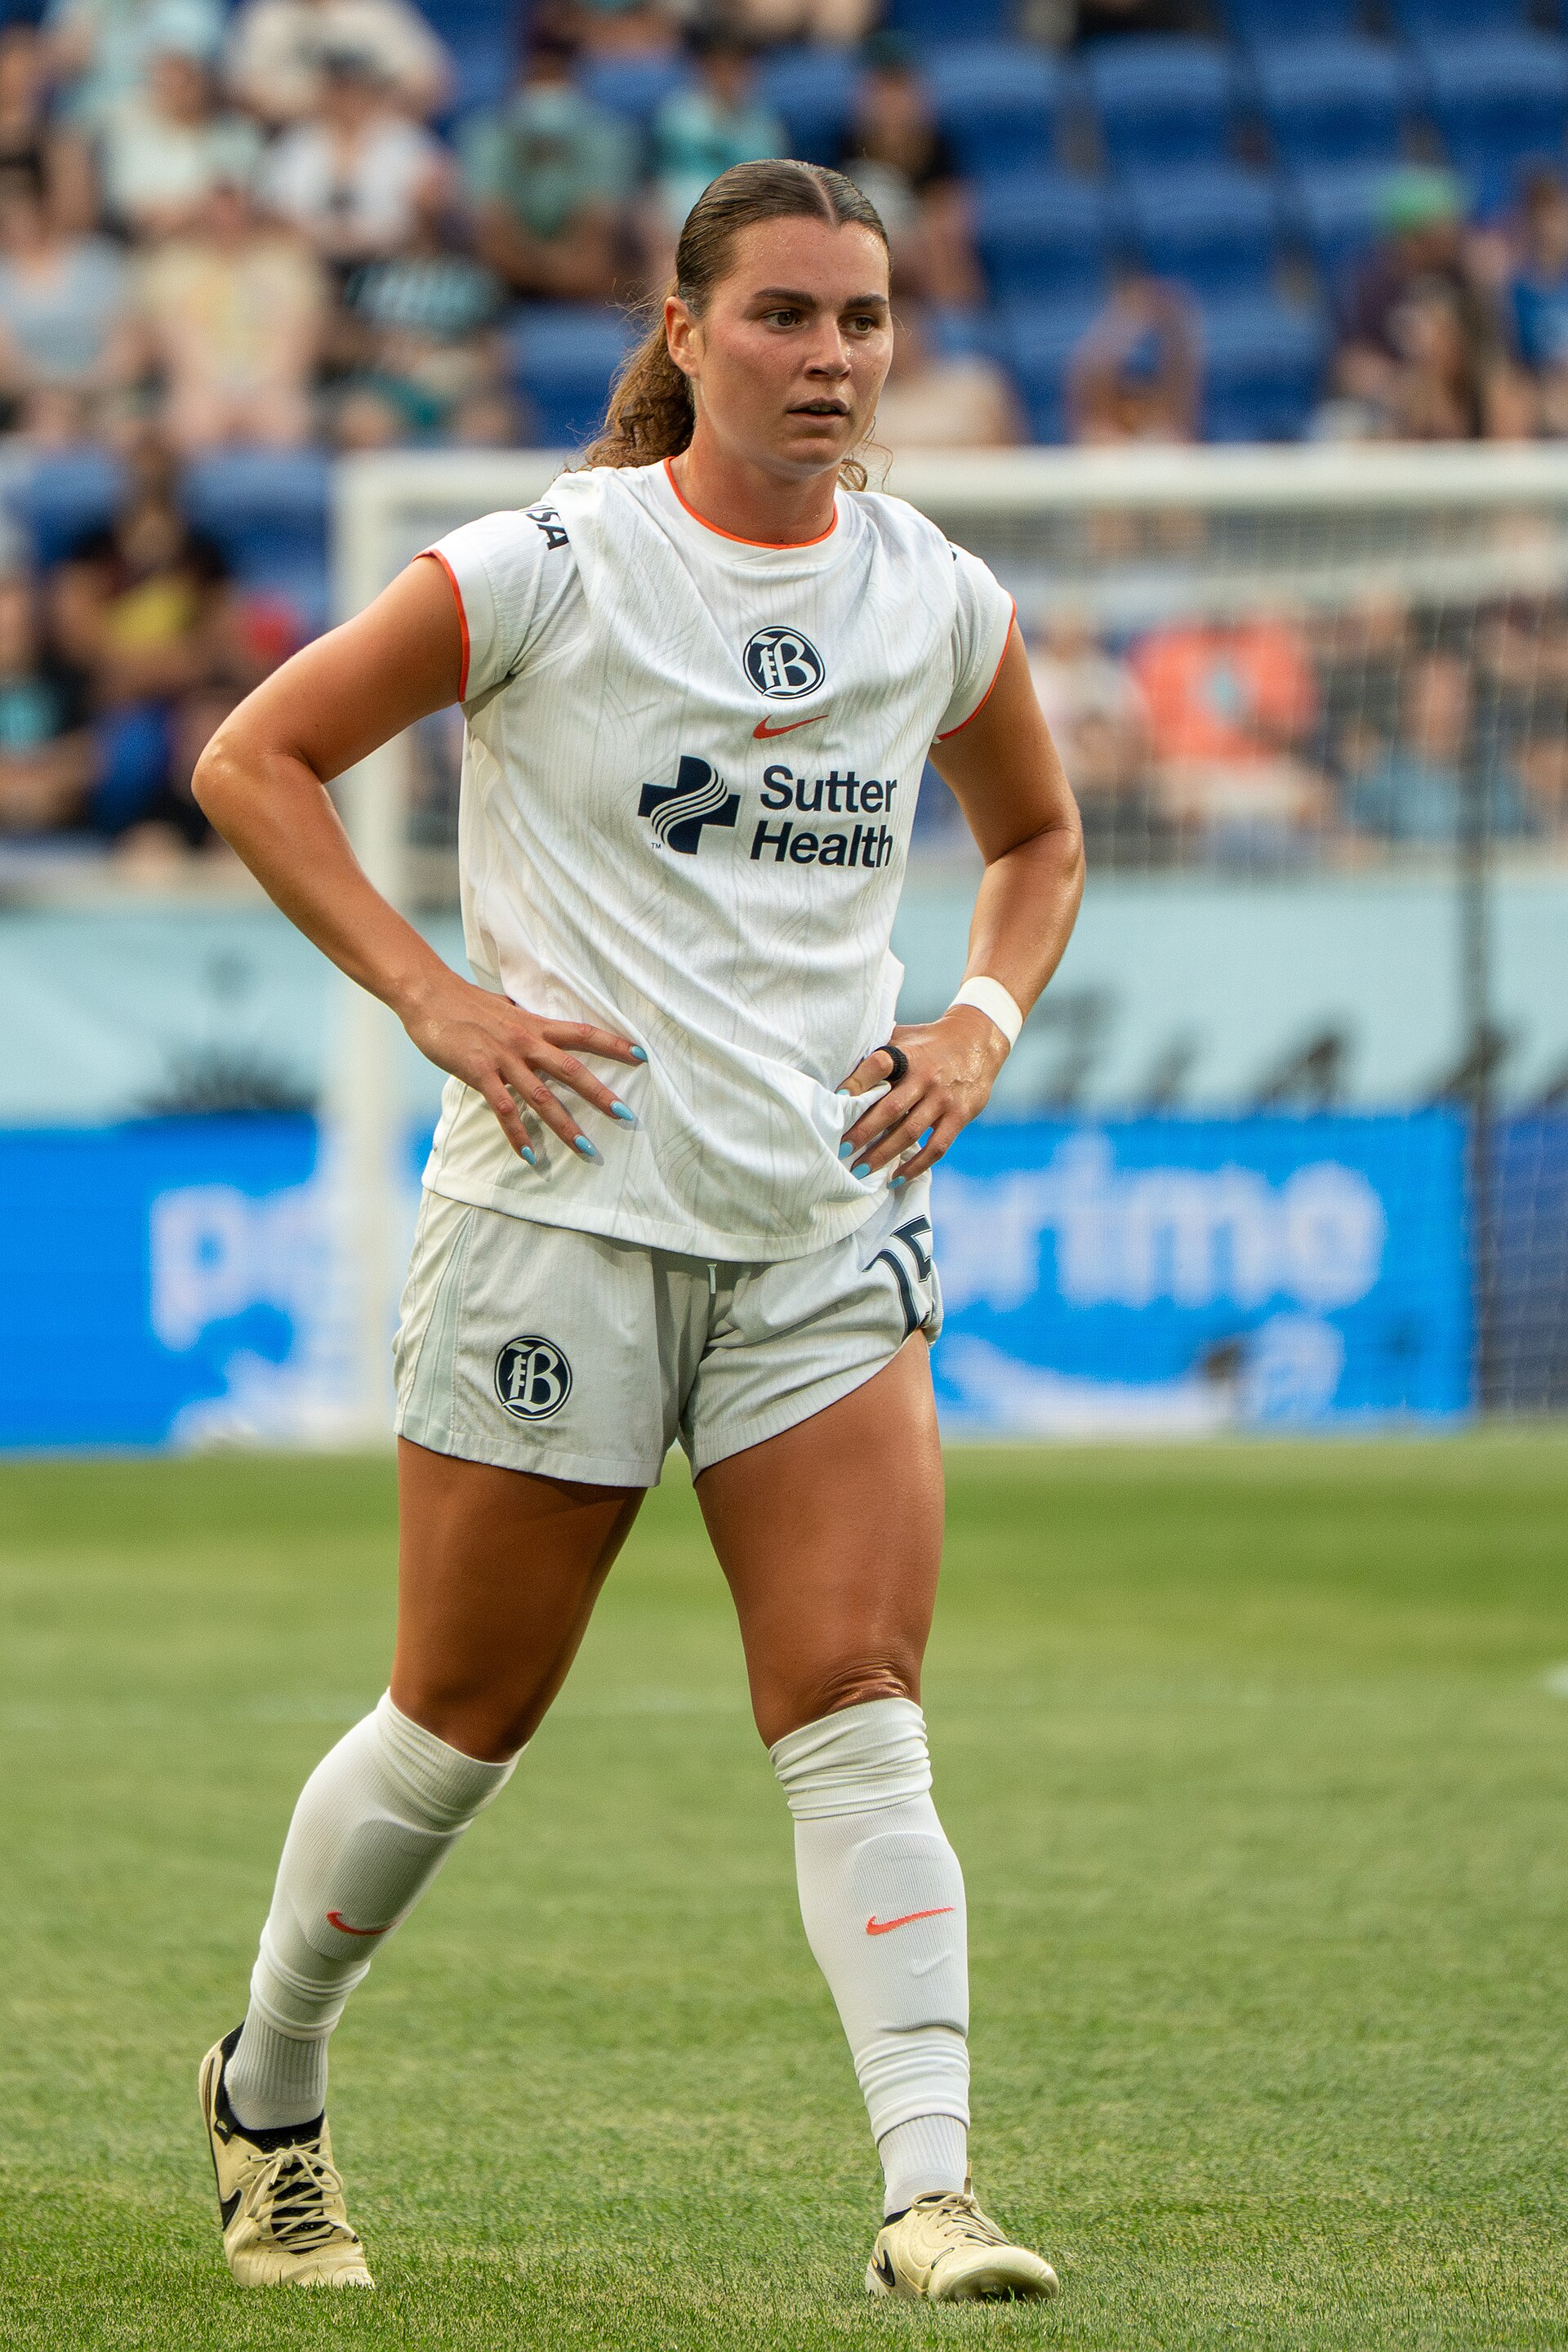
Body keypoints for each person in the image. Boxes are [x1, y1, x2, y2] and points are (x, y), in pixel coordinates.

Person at [189, 158, 1083, 2302]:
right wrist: (438, 1001)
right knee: (459, 1722)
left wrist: (977, 1015)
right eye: (783, 316)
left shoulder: (936, 596)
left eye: (863, 320)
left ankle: (928, 2193)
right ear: (683, 335)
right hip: (557, 1231)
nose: (832, 360)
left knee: (858, 1702)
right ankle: (273, 2089)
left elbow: (1037, 835)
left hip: (818, 1239)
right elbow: (255, 758)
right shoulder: (551, 567)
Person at [135, 175, 327, 448]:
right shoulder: (171, 267)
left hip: (272, 383)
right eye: (217, 211)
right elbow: (172, 343)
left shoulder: (287, 264)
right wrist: (216, 390)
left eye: (234, 209)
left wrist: (262, 387)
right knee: (194, 422)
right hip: (201, 384)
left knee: (285, 423)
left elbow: (299, 338)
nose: (225, 220)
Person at [461, 29, 636, 303]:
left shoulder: (607, 137)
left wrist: (550, 272)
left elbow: (596, 242)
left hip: (577, 282)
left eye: (556, 79)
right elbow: (492, 231)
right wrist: (549, 270)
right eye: (537, 79)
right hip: (506, 286)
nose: (546, 91)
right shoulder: (487, 135)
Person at [261, 50, 445, 272]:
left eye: (355, 89)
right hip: (313, 264)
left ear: (373, 91)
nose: (347, 99)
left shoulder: (409, 143)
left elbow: (431, 215)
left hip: (391, 262)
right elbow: (274, 213)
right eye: (339, 89)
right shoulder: (295, 144)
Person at [97, 27, 263, 238]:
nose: (176, 92)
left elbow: (241, 202)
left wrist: (189, 213)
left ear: (204, 80)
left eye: (185, 80)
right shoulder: (133, 137)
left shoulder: (237, 134)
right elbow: (134, 209)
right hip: (156, 247)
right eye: (166, 83)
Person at [224, 0, 448, 127]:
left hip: (375, 140)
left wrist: (362, 112)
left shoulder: (377, 12)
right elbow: (245, 97)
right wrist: (329, 107)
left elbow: (433, 86)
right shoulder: (265, 16)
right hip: (291, 141)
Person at [871, 301, 1021, 452]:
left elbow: (1008, 454)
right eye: (891, 336)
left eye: (906, 332)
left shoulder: (976, 382)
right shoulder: (871, 403)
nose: (900, 344)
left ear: (925, 332)